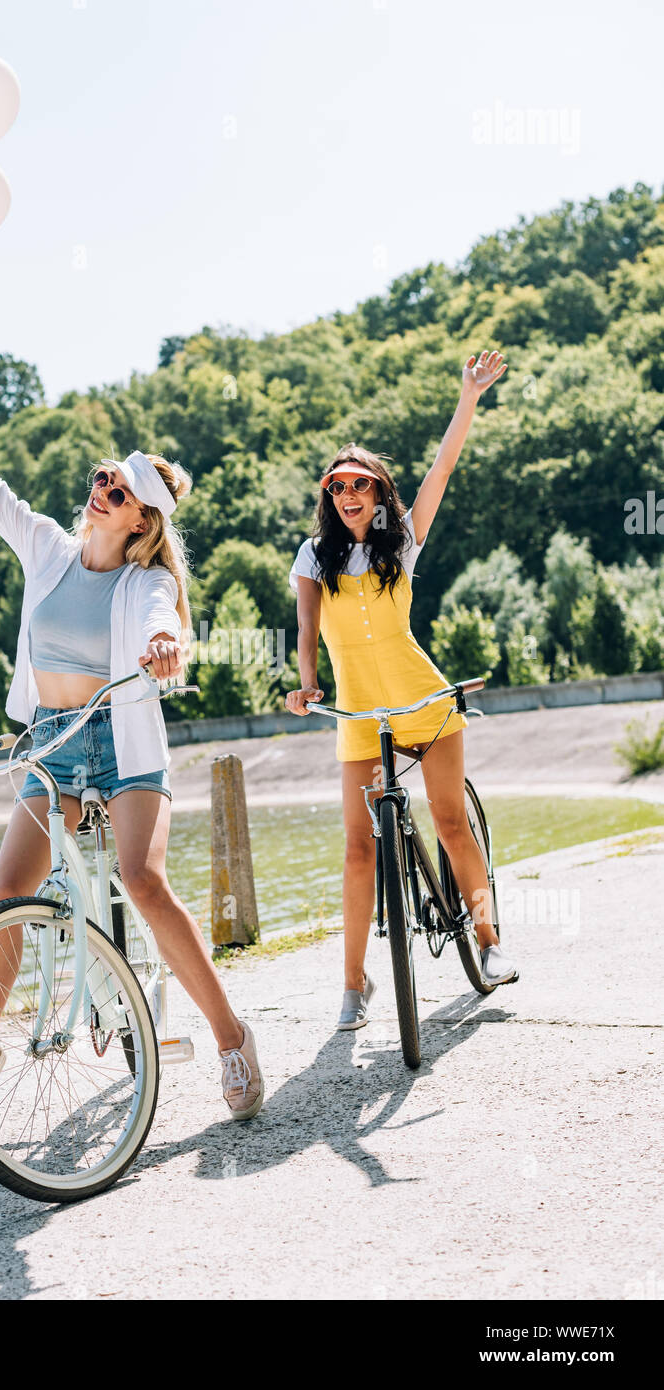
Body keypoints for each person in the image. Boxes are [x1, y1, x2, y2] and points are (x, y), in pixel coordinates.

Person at [0, 360, 264, 1120]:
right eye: (102, 478)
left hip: (121, 747)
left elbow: (165, 616)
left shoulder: (143, 583)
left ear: (140, 522)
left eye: (119, 492)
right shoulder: (45, 549)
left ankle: (231, 1038)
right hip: (53, 746)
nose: (101, 491)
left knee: (143, 878)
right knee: (7, 893)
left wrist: (166, 647)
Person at [285, 350, 519, 1030]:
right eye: (335, 486)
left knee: (449, 821)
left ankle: (488, 941)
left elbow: (440, 467)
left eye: (359, 483)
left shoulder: (403, 539)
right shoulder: (312, 556)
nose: (346, 493)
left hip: (424, 702)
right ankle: (355, 984)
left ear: (378, 491)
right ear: (328, 497)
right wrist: (306, 685)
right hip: (359, 716)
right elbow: (305, 632)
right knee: (359, 847)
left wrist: (468, 396)